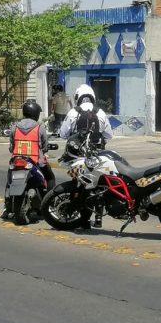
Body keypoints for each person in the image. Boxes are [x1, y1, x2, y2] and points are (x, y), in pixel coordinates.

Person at [59, 84, 113, 229]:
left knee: (79, 186)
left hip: (78, 157)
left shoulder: (73, 112)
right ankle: (99, 218)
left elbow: (63, 134)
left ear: (78, 97)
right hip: (97, 155)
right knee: (99, 186)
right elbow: (109, 135)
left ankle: (83, 220)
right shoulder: (100, 112)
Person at [1, 101, 55, 219]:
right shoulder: (39, 126)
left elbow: (11, 147)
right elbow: (45, 146)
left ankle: (6, 206)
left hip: (16, 161)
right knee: (50, 177)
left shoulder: (14, 126)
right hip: (35, 162)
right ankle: (50, 204)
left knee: (9, 181)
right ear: (36, 113)